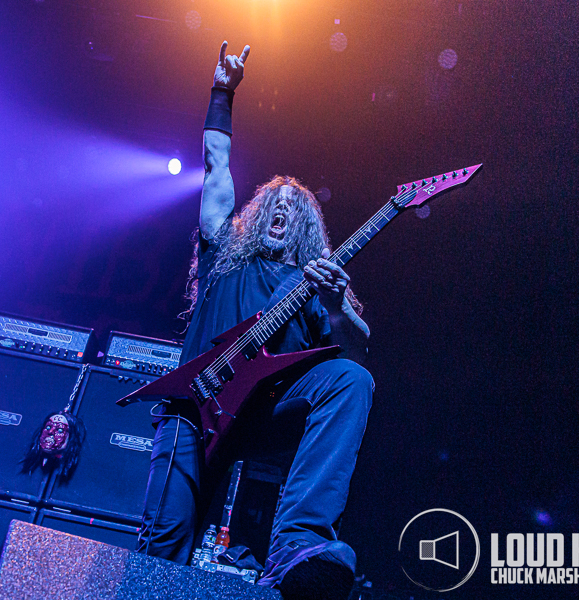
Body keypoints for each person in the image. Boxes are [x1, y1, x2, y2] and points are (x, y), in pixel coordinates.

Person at [136, 41, 374, 600]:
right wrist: (222, 93)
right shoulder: (224, 255)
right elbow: (216, 168)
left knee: (352, 379)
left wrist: (336, 306)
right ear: (257, 215)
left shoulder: (314, 284)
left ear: (305, 228)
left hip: (265, 414)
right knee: (163, 545)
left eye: (293, 209)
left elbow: (355, 351)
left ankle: (297, 540)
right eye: (273, 204)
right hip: (197, 411)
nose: (281, 209)